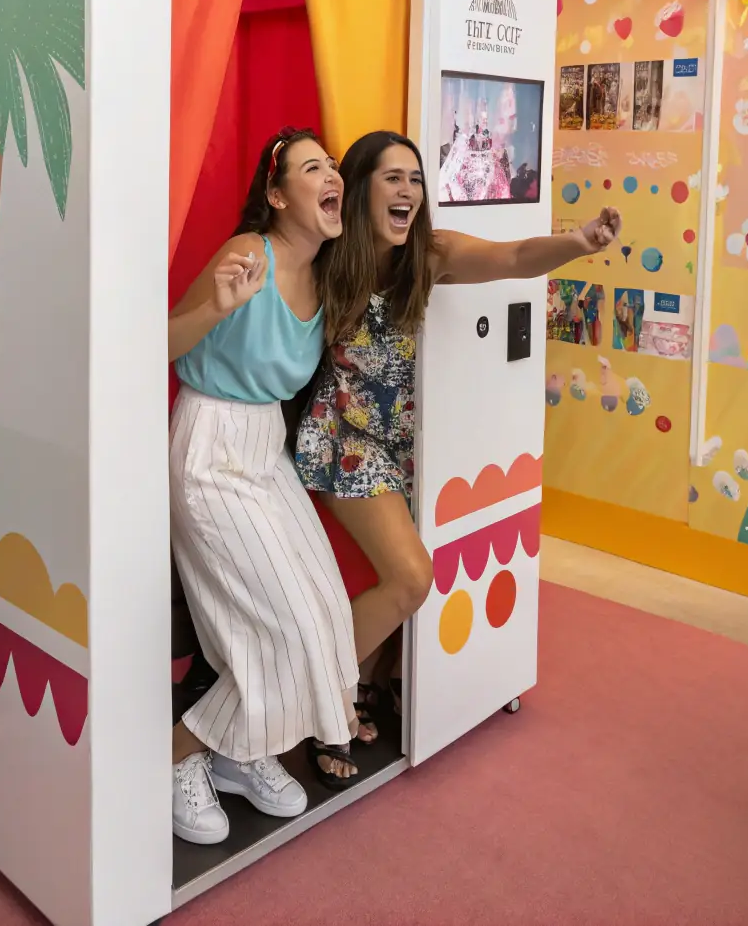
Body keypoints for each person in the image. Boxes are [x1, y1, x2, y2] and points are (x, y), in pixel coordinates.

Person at [296, 130, 620, 721]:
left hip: (412, 446)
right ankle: (314, 703)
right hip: (343, 439)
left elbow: (516, 258)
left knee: (414, 573)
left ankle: (367, 682)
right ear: (360, 187)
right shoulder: (330, 252)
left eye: (416, 179)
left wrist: (579, 241)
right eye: (393, 178)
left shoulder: (429, 253)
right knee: (412, 577)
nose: (408, 191)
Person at [168, 128, 363, 846]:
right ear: (278, 195)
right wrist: (217, 306)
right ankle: (179, 756)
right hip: (211, 445)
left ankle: (237, 753)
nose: (331, 174)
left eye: (334, 166)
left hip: (264, 450)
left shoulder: (329, 269)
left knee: (329, 616)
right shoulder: (248, 252)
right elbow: (161, 342)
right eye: (314, 167)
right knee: (288, 629)